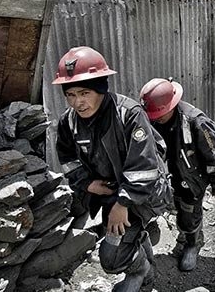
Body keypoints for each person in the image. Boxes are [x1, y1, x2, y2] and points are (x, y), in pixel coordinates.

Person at [53, 46, 171, 292]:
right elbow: (67, 158)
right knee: (111, 258)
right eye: (71, 95)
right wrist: (86, 183)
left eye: (85, 92)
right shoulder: (68, 123)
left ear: (101, 89)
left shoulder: (129, 115)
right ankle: (141, 256)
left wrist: (122, 205)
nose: (78, 102)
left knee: (110, 259)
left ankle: (139, 267)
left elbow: (145, 168)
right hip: (110, 196)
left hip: (141, 195)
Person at [139, 77, 215, 272]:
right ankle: (187, 232)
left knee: (189, 212)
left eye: (159, 114)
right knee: (177, 209)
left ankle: (192, 244)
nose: (155, 118)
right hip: (170, 175)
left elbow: (214, 156)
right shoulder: (152, 119)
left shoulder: (196, 122)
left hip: (192, 178)